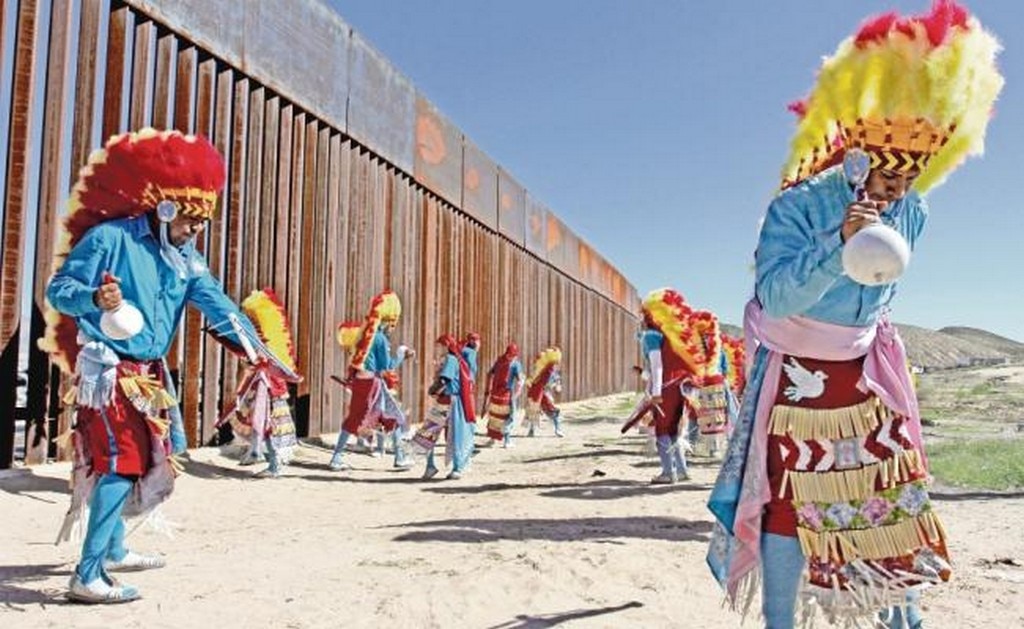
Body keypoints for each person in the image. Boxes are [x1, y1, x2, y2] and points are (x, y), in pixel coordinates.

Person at [706, 3, 1003, 627]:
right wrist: (839, 249)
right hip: (798, 383)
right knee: (789, 506)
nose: (897, 196)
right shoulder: (796, 209)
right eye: (887, 182)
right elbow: (777, 299)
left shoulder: (914, 209)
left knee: (890, 499)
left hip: (870, 376)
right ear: (858, 156)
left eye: (910, 182)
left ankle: (903, 619)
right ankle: (780, 621)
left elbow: (885, 287)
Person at [41, 128, 258, 603]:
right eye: (190, 221)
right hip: (110, 373)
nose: (195, 231)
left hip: (150, 377)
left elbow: (218, 304)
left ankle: (114, 548)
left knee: (141, 461)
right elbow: (58, 291)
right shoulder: (109, 240)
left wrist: (258, 349)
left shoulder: (186, 259)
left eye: (202, 224)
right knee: (122, 463)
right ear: (164, 207)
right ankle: (89, 574)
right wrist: (95, 299)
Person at [215, 288, 301, 478]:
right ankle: (257, 454)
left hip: (268, 395)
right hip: (265, 393)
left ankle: (273, 465)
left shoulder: (266, 351)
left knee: (266, 427)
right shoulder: (272, 350)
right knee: (260, 426)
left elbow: (248, 357)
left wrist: (220, 336)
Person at [329, 291, 414, 471]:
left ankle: (398, 457)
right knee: (390, 417)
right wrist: (401, 355)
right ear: (387, 322)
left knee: (378, 418)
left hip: (362, 382)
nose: (393, 329)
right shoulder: (380, 339)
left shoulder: (364, 334)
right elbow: (386, 367)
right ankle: (337, 458)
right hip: (373, 385)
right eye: (392, 325)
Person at [640, 289, 714, 484]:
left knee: (663, 431)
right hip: (682, 388)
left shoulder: (651, 336)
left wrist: (655, 393)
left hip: (665, 388)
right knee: (675, 430)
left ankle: (667, 472)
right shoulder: (674, 336)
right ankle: (681, 470)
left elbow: (657, 366)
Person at [420, 335, 477, 479]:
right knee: (428, 432)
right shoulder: (449, 360)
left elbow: (445, 380)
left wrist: (433, 390)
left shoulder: (451, 360)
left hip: (451, 402)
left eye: (440, 345)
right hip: (444, 400)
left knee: (455, 435)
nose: (437, 348)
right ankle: (430, 466)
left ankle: (457, 468)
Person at [483, 343, 525, 448]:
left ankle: (492, 440)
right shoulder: (515, 364)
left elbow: (490, 374)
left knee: (494, 417)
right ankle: (507, 441)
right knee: (508, 417)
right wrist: (517, 394)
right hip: (506, 396)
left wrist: (488, 391)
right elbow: (520, 380)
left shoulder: (499, 361)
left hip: (495, 395)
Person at [523, 347, 564, 437]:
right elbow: (533, 380)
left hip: (544, 393)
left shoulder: (549, 371)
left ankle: (557, 428)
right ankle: (532, 430)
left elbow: (556, 384)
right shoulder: (541, 371)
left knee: (550, 410)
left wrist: (556, 386)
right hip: (538, 393)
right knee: (534, 411)